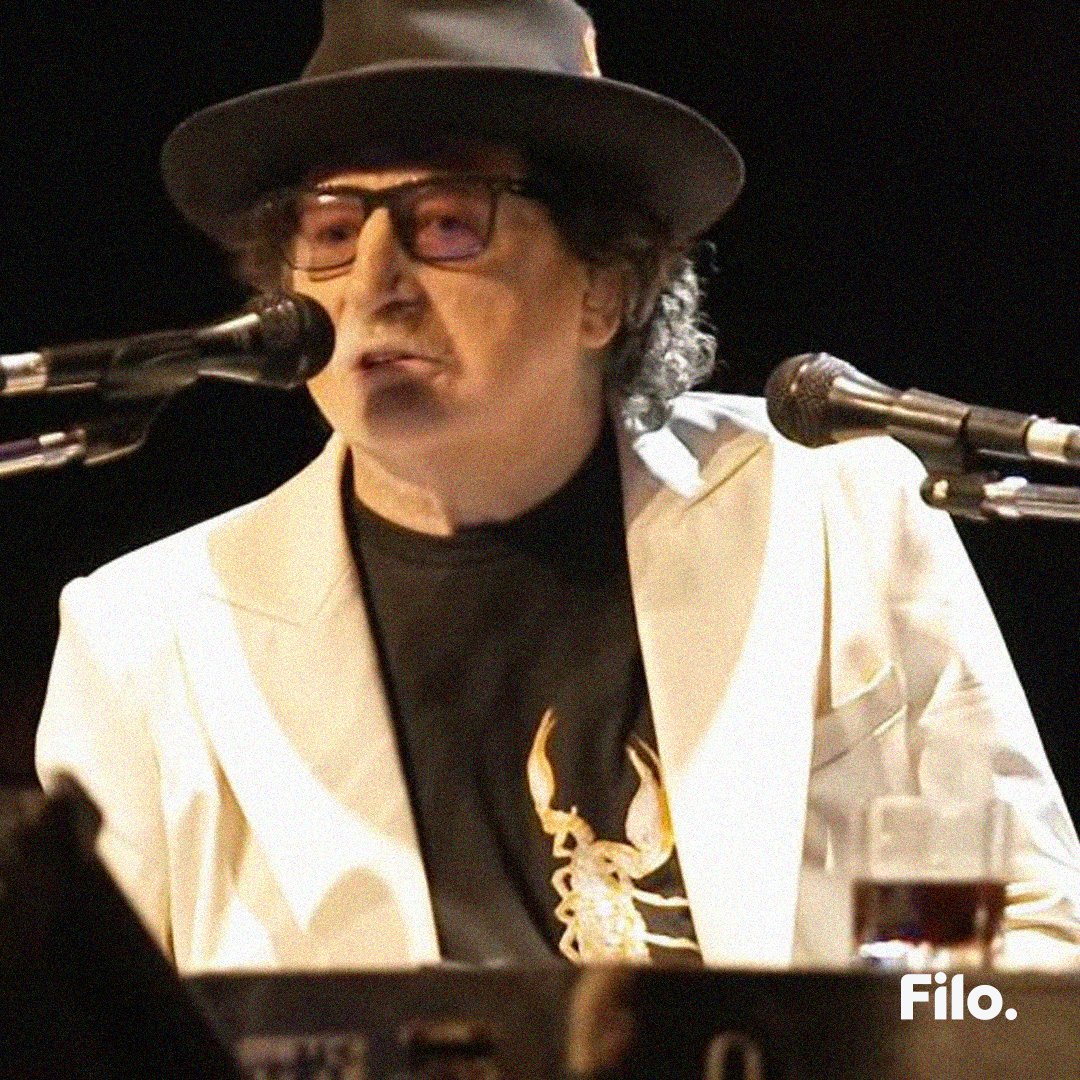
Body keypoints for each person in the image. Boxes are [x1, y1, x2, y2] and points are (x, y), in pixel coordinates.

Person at [35, 0, 1080, 973]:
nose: (374, 283)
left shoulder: (826, 511)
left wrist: (901, 1037)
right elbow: (94, 1026)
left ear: (603, 289)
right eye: (333, 231)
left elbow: (1004, 939)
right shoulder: (150, 639)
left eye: (447, 223)